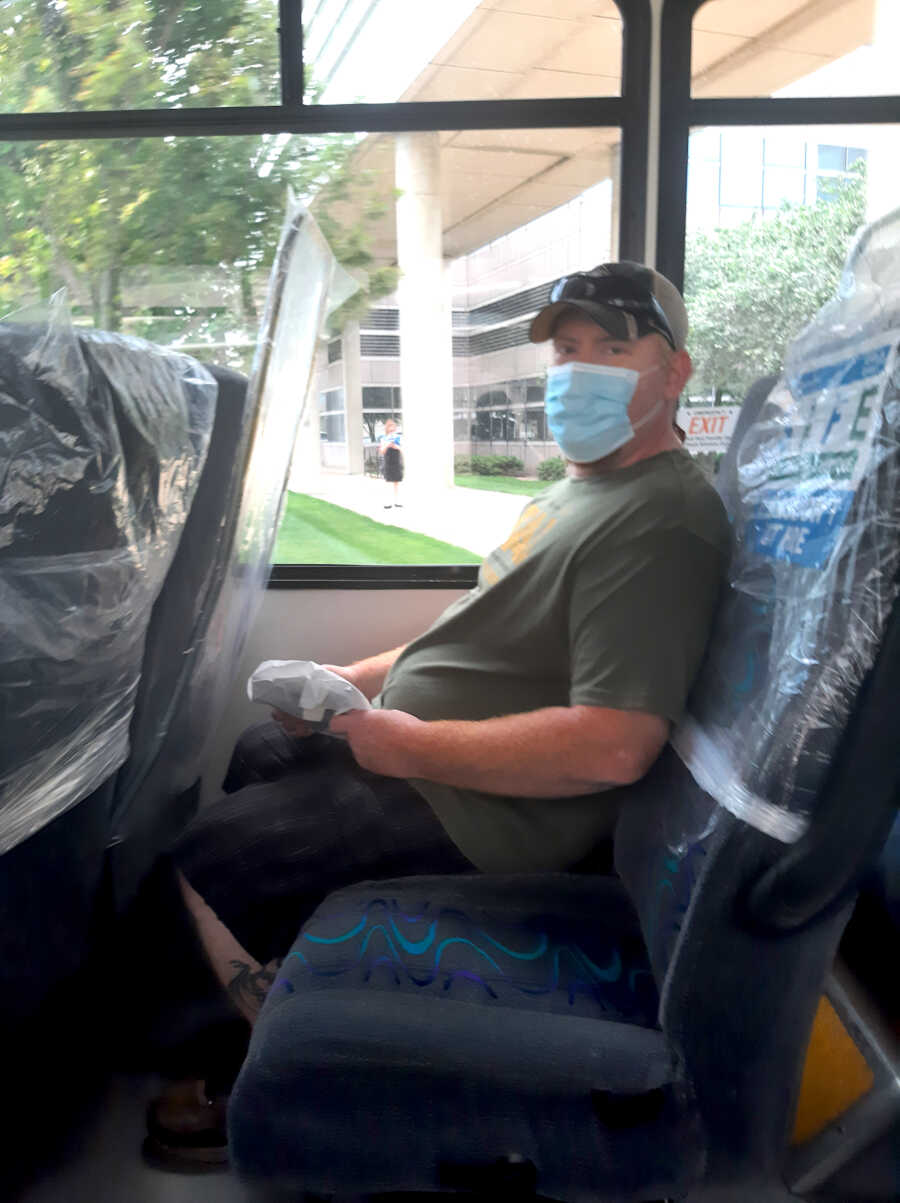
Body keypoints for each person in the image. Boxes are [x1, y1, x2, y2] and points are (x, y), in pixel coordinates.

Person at [141, 260, 731, 1166]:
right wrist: (354, 680)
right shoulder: (576, 490)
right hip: (425, 761)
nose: (578, 370)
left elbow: (616, 744)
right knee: (264, 748)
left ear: (674, 372)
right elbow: (472, 635)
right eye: (568, 350)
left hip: (487, 813)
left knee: (196, 863)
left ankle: (272, 1069)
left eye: (613, 348)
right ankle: (293, 986)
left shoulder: (663, 519)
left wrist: (408, 746)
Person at [379, 416, 403, 507]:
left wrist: (397, 447)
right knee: (388, 482)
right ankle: (387, 502)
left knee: (396, 482)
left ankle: (397, 501)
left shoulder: (399, 438)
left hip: (396, 461)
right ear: (387, 428)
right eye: (390, 427)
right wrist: (388, 445)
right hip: (388, 461)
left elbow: (402, 449)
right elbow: (382, 451)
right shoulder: (384, 438)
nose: (392, 428)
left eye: (394, 426)